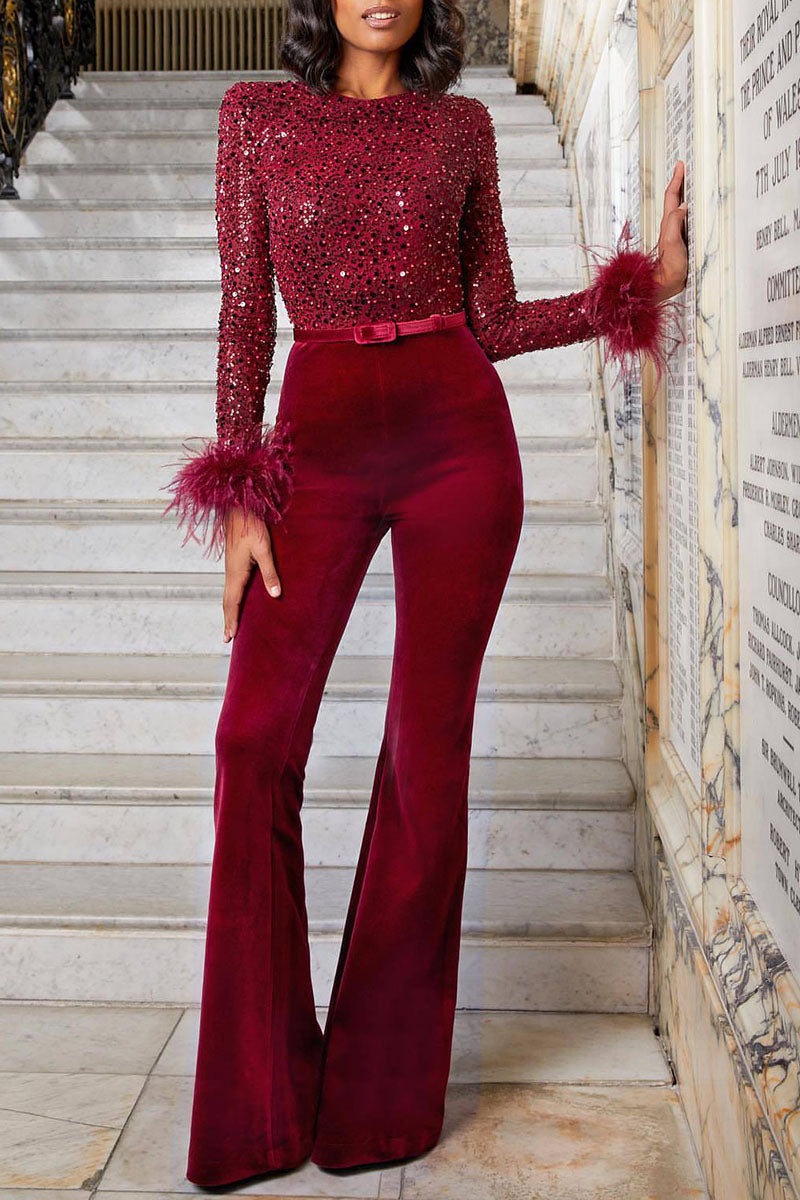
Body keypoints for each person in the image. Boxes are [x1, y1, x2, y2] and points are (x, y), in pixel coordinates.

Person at [164, 0, 688, 1185]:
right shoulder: (256, 118)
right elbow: (245, 312)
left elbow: (491, 318)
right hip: (317, 439)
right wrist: (240, 491)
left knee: (423, 757)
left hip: (458, 443)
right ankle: (255, 1106)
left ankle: (380, 1101)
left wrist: (639, 287)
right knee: (252, 742)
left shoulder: (458, 128)